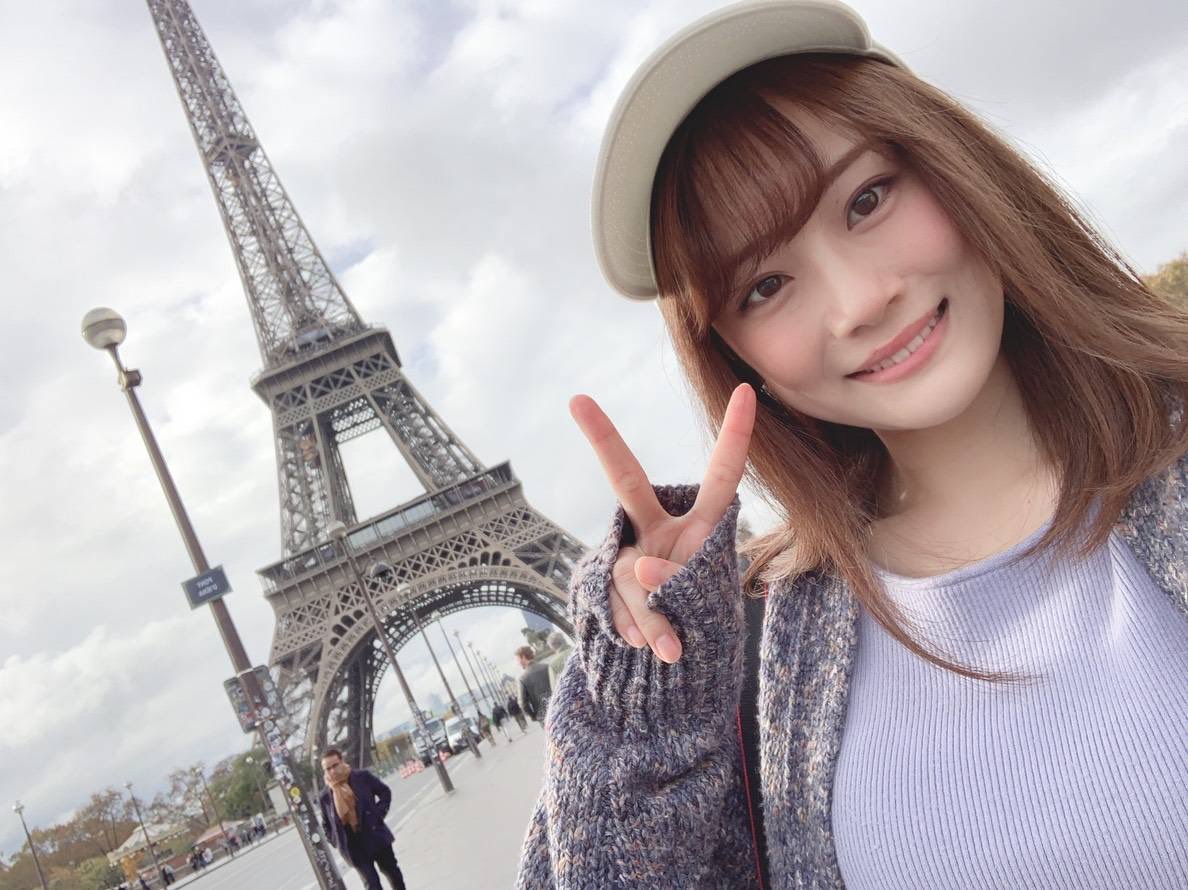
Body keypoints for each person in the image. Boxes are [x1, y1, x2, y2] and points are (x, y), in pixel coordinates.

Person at [516, 1, 1188, 888]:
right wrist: (650, 704)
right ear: (736, 356)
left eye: (867, 200)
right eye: (765, 285)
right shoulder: (757, 647)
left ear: (952, 166)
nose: (861, 302)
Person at [318, 747, 408, 890]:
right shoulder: (325, 796)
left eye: (335, 765)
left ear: (342, 761)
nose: (332, 771)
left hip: (375, 835)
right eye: (328, 769)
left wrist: (378, 814)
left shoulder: (362, 777)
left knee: (393, 874)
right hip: (353, 846)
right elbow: (326, 824)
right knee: (372, 884)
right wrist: (336, 841)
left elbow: (384, 792)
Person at [514, 645, 552, 724]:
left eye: (517, 660)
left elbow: (523, 704)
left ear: (523, 657)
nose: (517, 663)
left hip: (544, 717)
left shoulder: (522, 678)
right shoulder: (547, 667)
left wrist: (533, 716)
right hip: (559, 708)